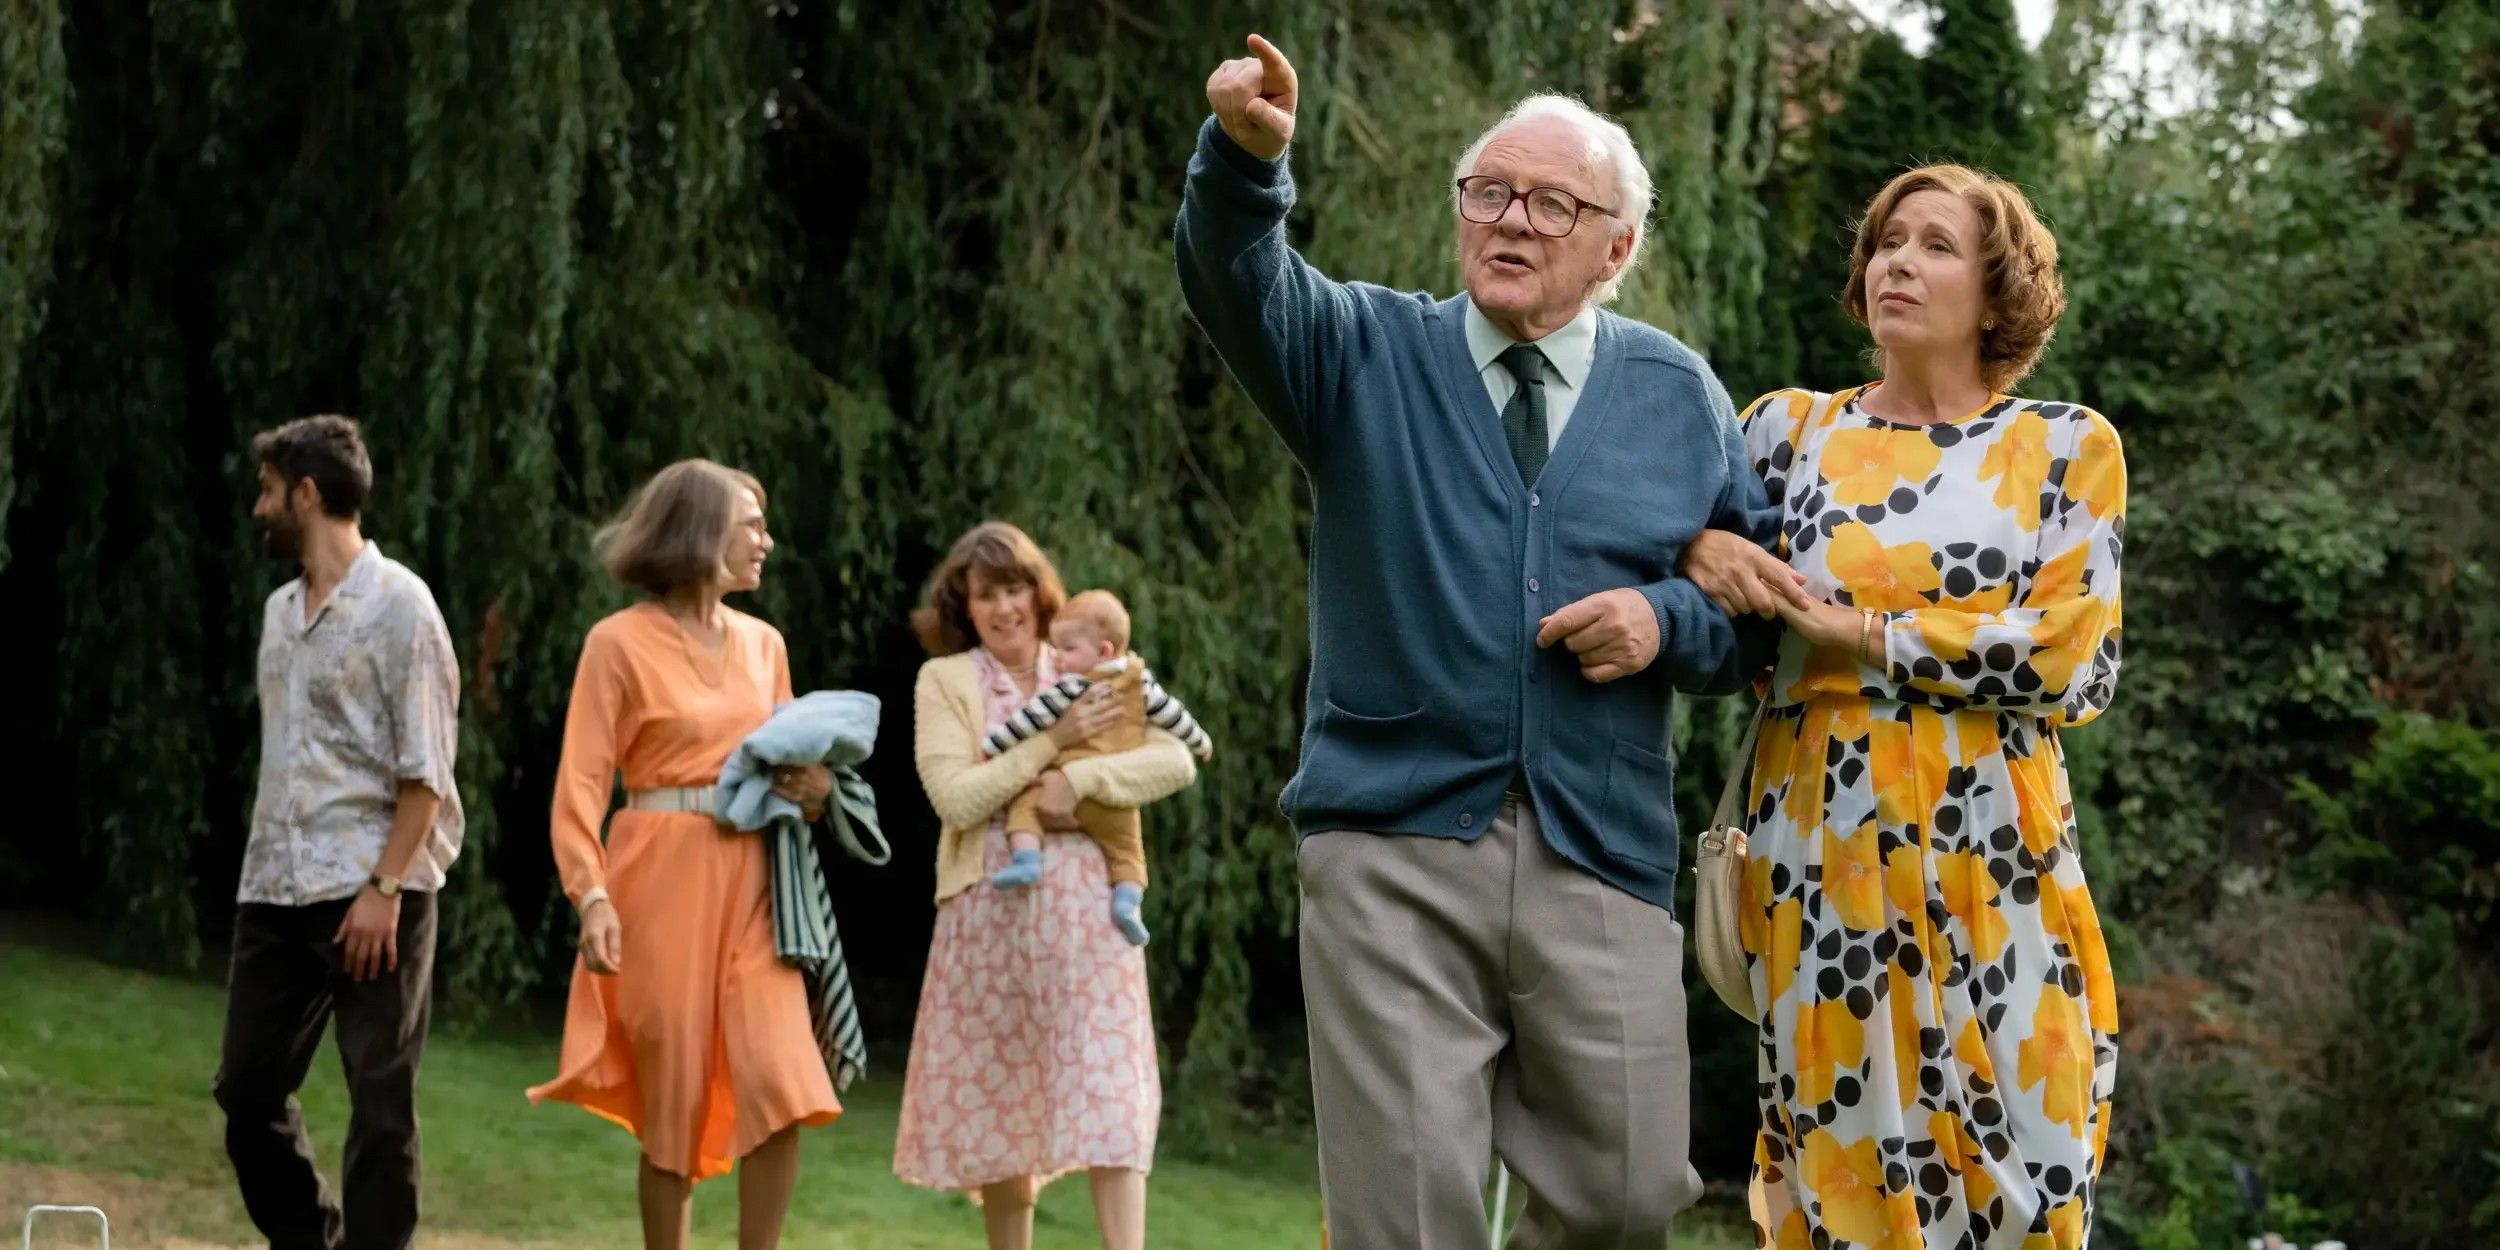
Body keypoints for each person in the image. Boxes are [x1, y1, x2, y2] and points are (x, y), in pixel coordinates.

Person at [1176, 35, 1779, 1249]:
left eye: (1550, 201)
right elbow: (1234, 274)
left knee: (1623, 1196)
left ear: (1616, 247)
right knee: (1405, 1212)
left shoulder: (1678, 393)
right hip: (1390, 840)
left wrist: (1658, 620)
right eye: (1488, 192)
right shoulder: (1359, 351)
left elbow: (1750, 617)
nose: (1510, 220)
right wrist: (1245, 162)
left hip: (1598, 842)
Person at [1680, 164, 2126, 1248]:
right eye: (1886, 240)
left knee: (2034, 1164)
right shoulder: (1784, 432)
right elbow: (1689, 572)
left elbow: (2073, 658)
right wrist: (1701, 549)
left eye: (1933, 244)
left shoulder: (2066, 446)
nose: (1896, 261)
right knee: (1845, 1174)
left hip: (1999, 853)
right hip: (1821, 848)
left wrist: (1866, 631)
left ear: (1997, 285)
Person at [526, 460, 839, 1250]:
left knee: (783, 1080)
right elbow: (581, 786)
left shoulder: (767, 645)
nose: (767, 540)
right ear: (700, 531)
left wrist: (815, 788)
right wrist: (590, 896)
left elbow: (790, 764)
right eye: (752, 524)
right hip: (658, 882)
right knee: (673, 1104)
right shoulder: (617, 643)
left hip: (757, 881)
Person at [892, 522, 1201, 1250]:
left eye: (1015, 588)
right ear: (963, 605)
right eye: (986, 593)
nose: (1004, 607)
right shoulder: (945, 680)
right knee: (1003, 1108)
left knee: (1112, 1095)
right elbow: (957, 799)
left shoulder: (1095, 661)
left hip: (1091, 914)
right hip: (986, 914)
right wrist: (1053, 745)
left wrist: (1079, 780)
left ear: (1038, 592)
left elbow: (1177, 760)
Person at [214, 414, 463, 1250]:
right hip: (275, 889)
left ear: (308, 494)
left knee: (380, 1108)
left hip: (375, 894)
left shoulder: (403, 608)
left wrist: (384, 888)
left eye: (269, 490)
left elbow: (427, 773)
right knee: (246, 1094)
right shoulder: (280, 613)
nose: (260, 508)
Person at [980, 587, 1216, 947]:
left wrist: (991, 746)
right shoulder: (1141, 683)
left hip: (1065, 785)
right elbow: (1173, 715)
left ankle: (1027, 857)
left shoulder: (1072, 687)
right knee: (1128, 851)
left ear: (1103, 651)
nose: (1058, 658)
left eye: (1068, 649)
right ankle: (1127, 902)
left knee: (1024, 810)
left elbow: (1027, 721)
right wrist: (1201, 740)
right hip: (1116, 798)